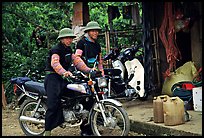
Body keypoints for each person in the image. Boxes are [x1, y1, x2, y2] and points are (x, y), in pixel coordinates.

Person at [72, 21, 104, 136]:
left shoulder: (97, 45)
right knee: (86, 101)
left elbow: (100, 61)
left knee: (98, 98)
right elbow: (77, 58)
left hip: (95, 75)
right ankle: (85, 129)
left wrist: (102, 73)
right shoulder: (81, 43)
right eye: (93, 31)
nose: (95, 33)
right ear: (88, 32)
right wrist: (85, 70)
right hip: (84, 76)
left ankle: (94, 124)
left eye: (97, 31)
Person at [43, 28, 76, 136]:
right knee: (53, 104)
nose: (69, 40)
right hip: (52, 77)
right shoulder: (56, 50)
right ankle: (47, 131)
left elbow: (76, 61)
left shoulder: (69, 50)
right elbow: (55, 63)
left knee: (73, 95)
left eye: (70, 38)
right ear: (61, 39)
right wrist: (63, 72)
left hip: (62, 77)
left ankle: (65, 118)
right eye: (67, 38)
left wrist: (88, 70)